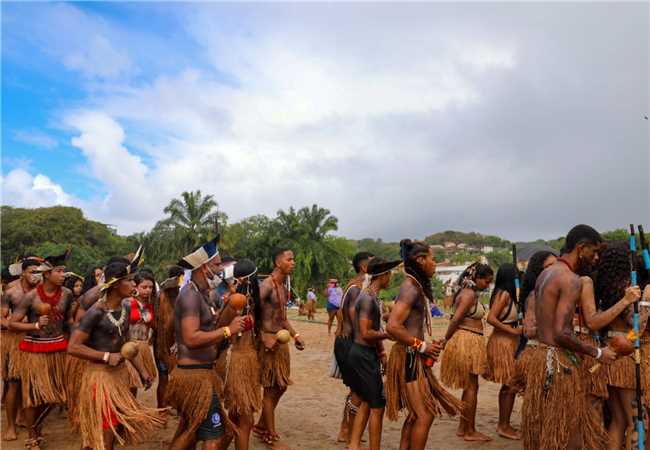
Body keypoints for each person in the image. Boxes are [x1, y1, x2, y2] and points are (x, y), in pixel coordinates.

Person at [523, 224, 615, 450]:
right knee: (569, 436)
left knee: (547, 431)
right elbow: (562, 333)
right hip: (559, 363)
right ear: (580, 247)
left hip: (541, 359)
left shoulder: (545, 274)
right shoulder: (571, 279)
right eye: (593, 252)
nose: (595, 258)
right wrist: (598, 352)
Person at [68, 257, 166, 450]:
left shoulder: (127, 307)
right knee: (102, 433)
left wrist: (142, 371)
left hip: (119, 376)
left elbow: (127, 344)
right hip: (100, 378)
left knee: (111, 430)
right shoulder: (96, 312)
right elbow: (73, 347)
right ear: (115, 285)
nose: (133, 283)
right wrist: (105, 357)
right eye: (129, 280)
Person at [165, 237, 245, 450]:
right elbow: (191, 338)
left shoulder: (202, 295)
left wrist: (228, 315)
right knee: (213, 438)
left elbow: (207, 328)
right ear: (203, 267)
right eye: (217, 264)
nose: (221, 269)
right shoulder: (190, 295)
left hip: (200, 374)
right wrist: (228, 330)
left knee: (191, 432)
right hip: (194, 376)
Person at [386, 240, 463, 450]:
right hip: (410, 356)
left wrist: (426, 345)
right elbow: (392, 327)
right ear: (420, 260)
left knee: (415, 414)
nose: (434, 263)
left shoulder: (415, 286)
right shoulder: (410, 288)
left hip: (413, 354)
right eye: (432, 258)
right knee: (424, 415)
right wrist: (422, 346)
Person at [9, 250, 75, 450]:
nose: (63, 275)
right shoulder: (30, 297)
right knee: (33, 395)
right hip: (34, 350)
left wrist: (78, 333)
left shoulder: (67, 294)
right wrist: (35, 326)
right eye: (59, 271)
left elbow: (69, 321)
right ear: (47, 274)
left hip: (58, 349)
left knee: (58, 396)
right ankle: (32, 437)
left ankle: (36, 426)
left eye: (64, 271)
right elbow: (13, 323)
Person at [594, 244, 650, 450]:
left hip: (609, 354)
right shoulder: (628, 289)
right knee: (638, 422)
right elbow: (637, 328)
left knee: (618, 420)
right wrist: (646, 303)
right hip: (625, 357)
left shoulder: (603, 286)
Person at [254, 248, 305, 449]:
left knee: (281, 385)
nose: (293, 262)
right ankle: (270, 435)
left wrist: (296, 335)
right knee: (270, 388)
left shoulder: (282, 287)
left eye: (294, 259)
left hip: (280, 343)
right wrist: (263, 336)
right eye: (289, 259)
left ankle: (260, 426)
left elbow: (282, 318)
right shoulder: (266, 285)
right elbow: (251, 312)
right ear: (278, 263)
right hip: (267, 345)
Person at [346, 257, 400, 450]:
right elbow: (366, 332)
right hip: (362, 355)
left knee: (367, 402)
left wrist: (382, 354)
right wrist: (389, 333)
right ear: (382, 275)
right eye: (389, 274)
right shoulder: (367, 299)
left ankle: (353, 444)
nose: (391, 278)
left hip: (366, 354)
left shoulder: (372, 297)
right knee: (378, 405)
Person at [440, 262, 494, 442]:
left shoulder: (468, 293)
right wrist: (445, 339)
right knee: (472, 387)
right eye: (486, 282)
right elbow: (456, 319)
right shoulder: (469, 294)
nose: (488, 285)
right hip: (467, 341)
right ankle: (470, 430)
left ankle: (464, 427)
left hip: (469, 340)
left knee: (470, 387)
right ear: (476, 278)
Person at [214, 259, 262, 450]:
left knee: (236, 416)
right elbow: (220, 331)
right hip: (235, 361)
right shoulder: (234, 302)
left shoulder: (252, 303)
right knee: (245, 418)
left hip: (248, 360)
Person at [333, 251, 373, 443]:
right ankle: (346, 430)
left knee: (356, 390)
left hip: (351, 342)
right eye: (374, 265)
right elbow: (356, 321)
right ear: (364, 267)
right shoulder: (356, 289)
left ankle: (347, 428)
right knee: (358, 390)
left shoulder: (361, 288)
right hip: (350, 343)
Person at [1, 257, 42, 442]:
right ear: (23, 272)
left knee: (32, 384)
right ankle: (10, 426)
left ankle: (29, 421)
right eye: (32, 272)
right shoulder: (11, 291)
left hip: (35, 340)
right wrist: (13, 324)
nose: (36, 276)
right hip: (14, 342)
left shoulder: (41, 291)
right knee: (13, 383)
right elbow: (1, 319)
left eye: (38, 272)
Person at [484, 263, 522, 440]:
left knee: (509, 385)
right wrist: (513, 331)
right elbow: (490, 318)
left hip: (508, 342)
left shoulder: (505, 294)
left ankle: (504, 423)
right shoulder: (504, 294)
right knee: (509, 385)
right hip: (503, 343)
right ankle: (503, 425)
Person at [154, 265, 184, 409]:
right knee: (164, 377)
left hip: (179, 344)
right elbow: (155, 321)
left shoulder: (183, 295)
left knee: (179, 377)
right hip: (162, 346)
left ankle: (176, 405)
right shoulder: (161, 296)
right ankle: (162, 409)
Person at [127, 269, 158, 396]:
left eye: (150, 287)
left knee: (136, 383)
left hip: (144, 346)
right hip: (129, 346)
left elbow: (155, 326)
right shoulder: (127, 302)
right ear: (136, 286)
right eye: (144, 287)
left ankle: (132, 409)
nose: (147, 290)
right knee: (129, 381)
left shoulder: (151, 305)